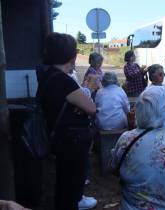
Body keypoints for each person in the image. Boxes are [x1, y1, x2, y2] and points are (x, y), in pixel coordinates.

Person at [38, 32, 97, 210]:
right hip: (72, 141)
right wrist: (88, 92)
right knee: (72, 185)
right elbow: (92, 108)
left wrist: (80, 102)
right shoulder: (64, 81)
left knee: (64, 181)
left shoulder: (47, 75)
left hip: (60, 137)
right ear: (71, 56)